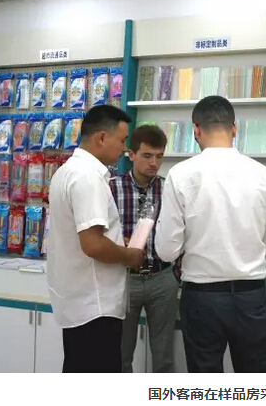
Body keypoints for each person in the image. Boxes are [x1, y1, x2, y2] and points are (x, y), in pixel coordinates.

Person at [155, 95, 266, 373]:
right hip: (250, 295)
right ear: (235, 128)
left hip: (201, 297)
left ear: (195, 130)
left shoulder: (180, 174)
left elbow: (166, 250)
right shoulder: (262, 174)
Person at [47, 105, 146, 373]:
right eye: (122, 140)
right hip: (95, 306)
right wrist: (129, 255)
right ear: (102, 137)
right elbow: (92, 244)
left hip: (80, 302)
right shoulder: (87, 177)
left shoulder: (67, 172)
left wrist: (117, 242)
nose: (124, 149)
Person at [109, 125, 180, 373]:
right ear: (131, 154)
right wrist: (119, 242)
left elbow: (182, 232)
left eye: (159, 156)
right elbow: (99, 233)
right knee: (120, 353)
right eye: (147, 155)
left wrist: (175, 274)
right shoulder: (111, 187)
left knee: (164, 355)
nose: (154, 163)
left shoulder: (169, 189)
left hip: (162, 277)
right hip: (124, 278)